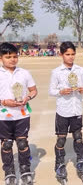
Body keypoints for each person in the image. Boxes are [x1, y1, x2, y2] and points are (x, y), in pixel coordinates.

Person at [49, 41, 83, 183]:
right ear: (61, 54)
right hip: (63, 110)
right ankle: (59, 162)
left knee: (78, 137)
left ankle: (81, 160)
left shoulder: (80, 70)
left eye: (72, 54)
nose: (70, 57)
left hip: (76, 108)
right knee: (61, 139)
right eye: (67, 54)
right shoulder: (56, 72)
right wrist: (61, 91)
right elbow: (51, 91)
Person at [0, 43, 37, 185]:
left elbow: (33, 90)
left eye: (15, 56)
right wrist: (4, 102)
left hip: (22, 115)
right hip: (3, 116)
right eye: (8, 57)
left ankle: (25, 170)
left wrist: (28, 97)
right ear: (1, 58)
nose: (12, 60)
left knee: (22, 143)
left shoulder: (24, 73)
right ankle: (9, 173)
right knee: (7, 145)